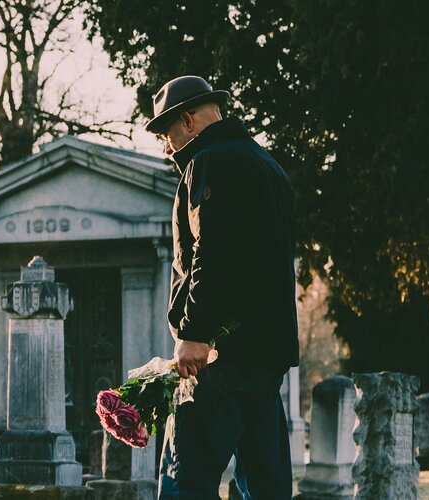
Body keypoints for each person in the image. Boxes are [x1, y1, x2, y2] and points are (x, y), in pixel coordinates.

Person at [146, 75, 300, 499]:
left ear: (190, 121)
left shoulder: (209, 163)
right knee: (265, 484)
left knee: (186, 479)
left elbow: (211, 255)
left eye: (166, 132)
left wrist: (194, 333)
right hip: (267, 356)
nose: (165, 145)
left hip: (218, 353)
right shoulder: (271, 167)